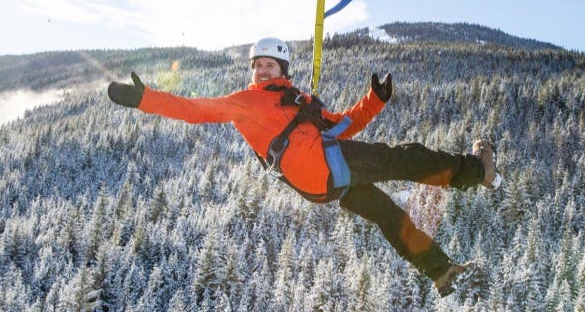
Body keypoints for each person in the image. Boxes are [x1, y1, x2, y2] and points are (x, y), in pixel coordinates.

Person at [107, 37, 497, 296]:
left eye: (268, 66)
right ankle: (477, 171)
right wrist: (145, 99)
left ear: (283, 69)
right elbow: (195, 110)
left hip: (322, 184)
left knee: (386, 214)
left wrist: (374, 100)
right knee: (405, 157)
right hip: (324, 167)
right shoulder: (248, 101)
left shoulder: (300, 100)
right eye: (257, 65)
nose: (261, 71)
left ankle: (439, 271)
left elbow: (343, 125)